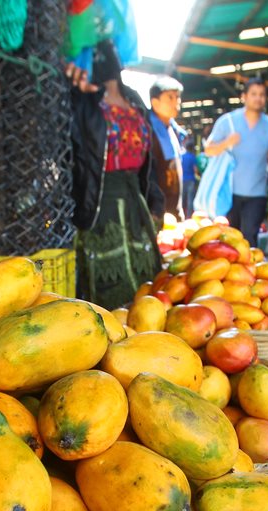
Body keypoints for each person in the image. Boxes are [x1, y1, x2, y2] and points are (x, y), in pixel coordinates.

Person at [67, 40, 163, 310]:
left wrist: (154, 201)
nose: (104, 58)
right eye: (96, 53)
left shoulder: (135, 100)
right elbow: (78, 154)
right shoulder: (84, 101)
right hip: (100, 201)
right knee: (106, 280)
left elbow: (150, 160)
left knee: (145, 283)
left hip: (135, 201)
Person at [205, 78, 268, 246]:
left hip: (257, 194)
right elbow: (208, 150)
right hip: (229, 192)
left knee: (249, 239)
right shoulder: (228, 121)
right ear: (244, 96)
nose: (258, 98)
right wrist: (227, 143)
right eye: (254, 94)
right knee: (227, 238)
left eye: (262, 94)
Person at [148, 76, 186, 222]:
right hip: (156, 211)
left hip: (174, 209)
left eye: (177, 97)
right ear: (155, 103)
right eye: (170, 97)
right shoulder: (147, 130)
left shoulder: (174, 130)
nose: (176, 101)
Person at [181, 139, 199, 218]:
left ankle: (181, 215)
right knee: (190, 200)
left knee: (182, 199)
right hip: (191, 180)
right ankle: (189, 217)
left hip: (182, 180)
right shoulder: (193, 157)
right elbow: (195, 170)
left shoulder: (182, 157)